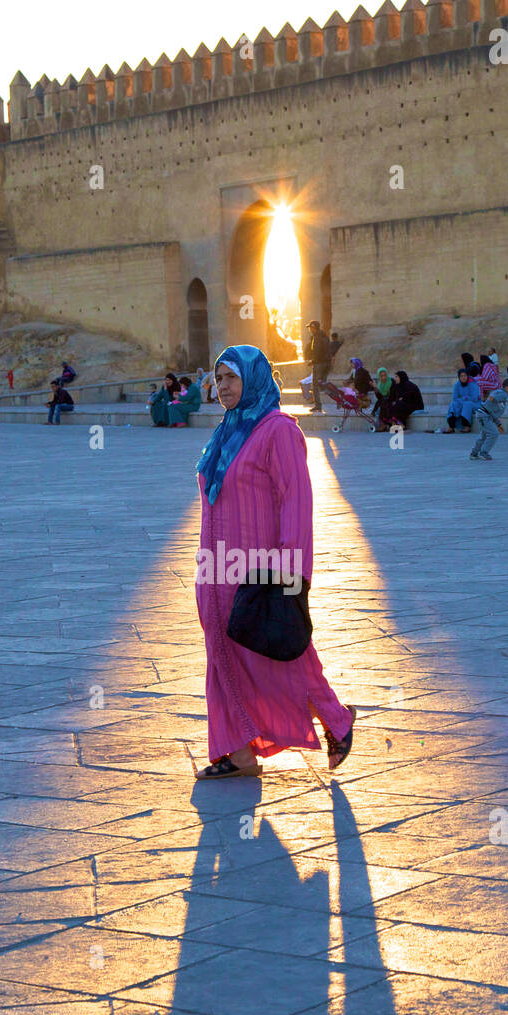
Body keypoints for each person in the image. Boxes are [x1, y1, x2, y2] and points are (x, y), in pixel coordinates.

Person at [194, 344, 356, 778]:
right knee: (221, 653)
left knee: (282, 654)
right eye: (218, 378)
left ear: (254, 378)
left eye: (229, 377)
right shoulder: (228, 431)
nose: (221, 386)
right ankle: (238, 751)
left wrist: (292, 574)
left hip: (262, 568)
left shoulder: (278, 430)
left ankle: (336, 720)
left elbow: (296, 503)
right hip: (216, 569)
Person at [470, 376, 508, 460]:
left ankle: (474, 453)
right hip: (484, 416)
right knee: (493, 434)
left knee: (484, 436)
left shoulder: (502, 395)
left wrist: (498, 424)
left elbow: (492, 411)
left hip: (485, 415)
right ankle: (483, 453)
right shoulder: (503, 394)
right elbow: (493, 397)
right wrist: (492, 398)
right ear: (507, 388)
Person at [304, 320, 332, 414]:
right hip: (326, 363)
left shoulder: (317, 338)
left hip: (319, 364)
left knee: (315, 385)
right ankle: (335, 397)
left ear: (314, 328)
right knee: (322, 384)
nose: (309, 330)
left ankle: (318, 406)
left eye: (310, 328)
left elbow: (317, 351)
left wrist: (313, 361)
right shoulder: (324, 336)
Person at [443, 368, 481, 432]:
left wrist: (463, 398)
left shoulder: (473, 384)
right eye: (461, 376)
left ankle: (467, 426)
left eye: (465, 376)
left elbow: (474, 398)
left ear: (467, 376)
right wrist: (465, 398)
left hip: (476, 404)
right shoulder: (457, 385)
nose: (463, 378)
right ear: (459, 377)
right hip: (462, 403)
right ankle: (451, 426)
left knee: (467, 404)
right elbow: (455, 398)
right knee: (453, 404)